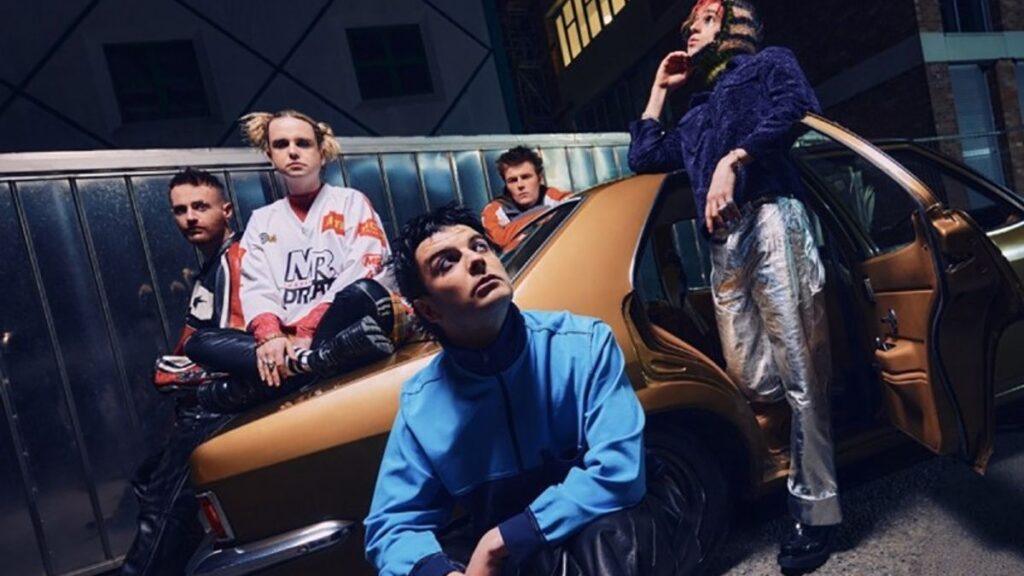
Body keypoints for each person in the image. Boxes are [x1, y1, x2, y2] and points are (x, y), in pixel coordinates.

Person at [364, 204, 694, 576]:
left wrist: (501, 540)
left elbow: (620, 472)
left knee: (610, 539)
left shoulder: (584, 344)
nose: (476, 260)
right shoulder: (422, 404)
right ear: (429, 311)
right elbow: (390, 527)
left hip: (615, 523)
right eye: (447, 263)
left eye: (479, 246)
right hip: (518, 538)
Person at [627, 0, 840, 572]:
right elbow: (644, 155)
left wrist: (733, 160)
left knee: (801, 374)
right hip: (724, 246)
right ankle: (794, 462)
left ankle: (817, 512)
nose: (689, 30)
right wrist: (659, 90)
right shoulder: (696, 110)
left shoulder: (770, 63)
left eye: (701, 20)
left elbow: (798, 106)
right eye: (688, 25)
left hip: (772, 217)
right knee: (751, 376)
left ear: (730, 23)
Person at [180, 109, 408, 392]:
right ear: (270, 156)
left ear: (321, 153)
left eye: (303, 143)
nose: (292, 151)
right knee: (199, 343)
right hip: (286, 341)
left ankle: (289, 372)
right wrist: (270, 334)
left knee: (364, 292)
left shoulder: (350, 202)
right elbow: (257, 286)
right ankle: (312, 364)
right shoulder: (262, 220)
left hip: (335, 324)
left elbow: (366, 266)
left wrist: (308, 329)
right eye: (281, 144)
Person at [121, 168, 246, 575]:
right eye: (180, 210)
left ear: (226, 210)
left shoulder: (235, 260)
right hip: (206, 404)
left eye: (200, 206)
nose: (190, 217)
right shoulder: (211, 266)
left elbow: (235, 345)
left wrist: (178, 372)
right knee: (147, 481)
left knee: (161, 514)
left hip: (220, 405)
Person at [480, 146, 570, 249]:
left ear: (539, 178)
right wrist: (543, 215)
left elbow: (577, 206)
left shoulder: (552, 196)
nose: (520, 185)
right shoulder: (493, 211)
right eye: (513, 180)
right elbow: (502, 242)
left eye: (526, 177)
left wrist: (515, 229)